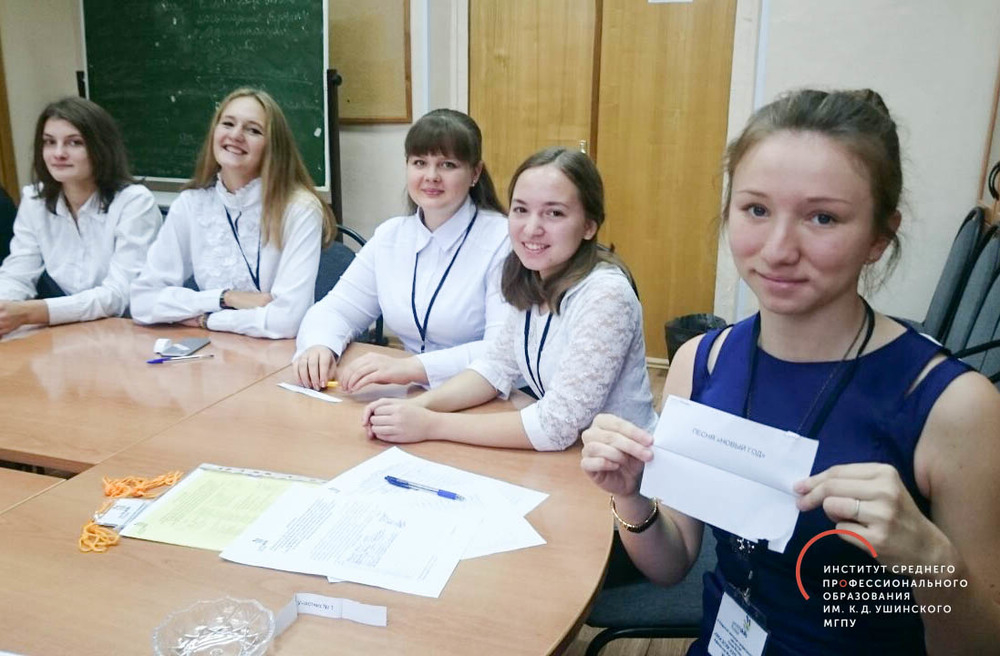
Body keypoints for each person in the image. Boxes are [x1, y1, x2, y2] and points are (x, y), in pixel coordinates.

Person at [580, 89, 1000, 654]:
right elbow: (672, 563)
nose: (778, 250)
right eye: (756, 210)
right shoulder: (700, 362)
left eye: (823, 217)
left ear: (879, 236)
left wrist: (930, 561)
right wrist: (632, 497)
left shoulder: (953, 407)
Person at [362, 147, 656, 451]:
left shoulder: (606, 295)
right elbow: (495, 368)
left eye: (554, 213)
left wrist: (431, 425)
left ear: (589, 226)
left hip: (625, 467)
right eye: (521, 210)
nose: (531, 228)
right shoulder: (533, 276)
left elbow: (555, 426)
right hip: (572, 458)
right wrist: (418, 406)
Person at [294, 109, 510, 390]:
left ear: (475, 173)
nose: (431, 176)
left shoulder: (503, 240)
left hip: (484, 395)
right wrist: (319, 345)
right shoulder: (390, 236)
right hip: (409, 395)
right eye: (420, 163)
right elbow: (336, 310)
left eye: (447, 165)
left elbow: (501, 350)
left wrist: (412, 368)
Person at [130, 88, 334, 338]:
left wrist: (207, 320)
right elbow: (142, 302)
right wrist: (224, 298)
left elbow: (287, 321)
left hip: (277, 352)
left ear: (272, 146)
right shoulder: (191, 204)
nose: (236, 135)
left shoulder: (300, 209)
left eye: (253, 130)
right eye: (228, 124)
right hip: (211, 349)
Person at [0, 97, 161, 336]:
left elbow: (120, 295)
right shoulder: (35, 200)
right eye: (49, 142)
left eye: (74, 143)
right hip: (68, 332)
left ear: (100, 148)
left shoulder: (134, 202)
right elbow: (17, 273)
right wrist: (4, 306)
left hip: (129, 333)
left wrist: (32, 312)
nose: (58, 153)